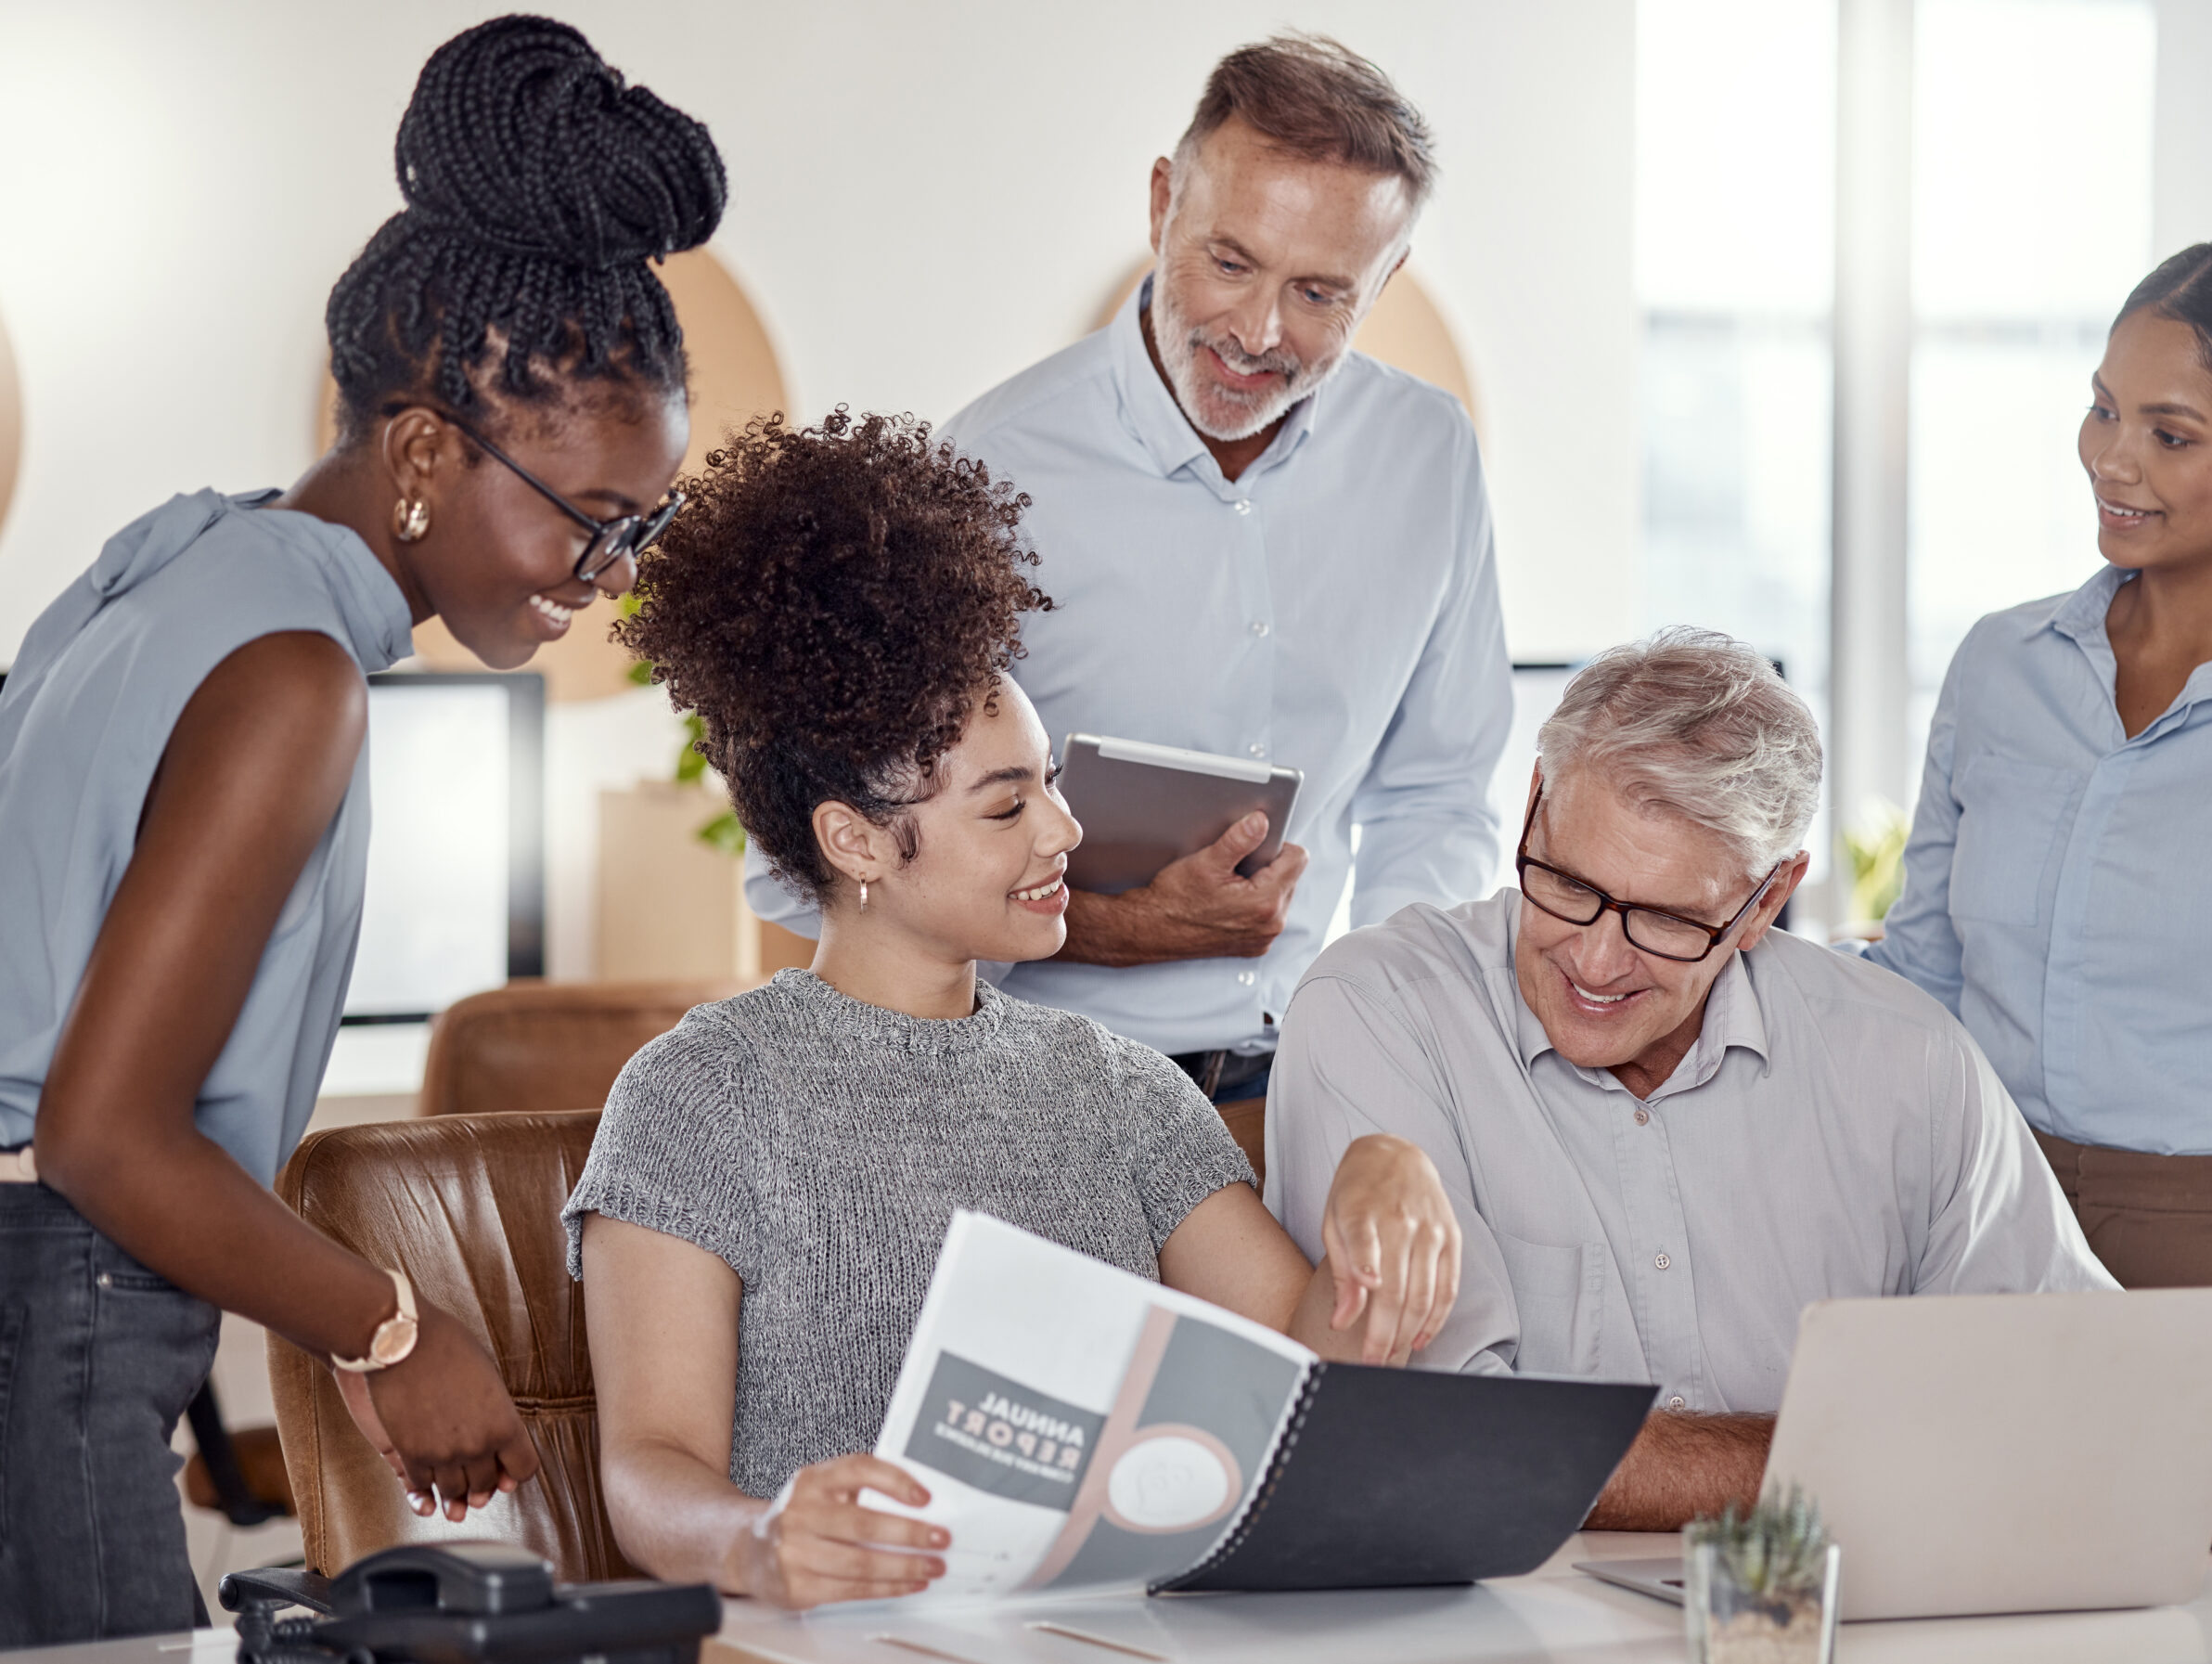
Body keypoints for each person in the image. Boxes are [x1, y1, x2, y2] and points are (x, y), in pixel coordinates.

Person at [0, 19, 727, 1643]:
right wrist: (394, 1328)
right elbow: (108, 1132)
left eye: (646, 527)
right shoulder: (297, 678)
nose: (611, 576)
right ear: (418, 450)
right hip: (59, 1297)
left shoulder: (167, 557)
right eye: (593, 521)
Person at [565, 410, 1461, 1612]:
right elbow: (647, 1471)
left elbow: (1303, 1381)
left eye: (1050, 783)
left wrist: (1385, 1174)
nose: (1065, 834)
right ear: (856, 839)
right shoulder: (701, 1095)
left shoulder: (1122, 1088)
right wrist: (759, 1536)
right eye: (1006, 808)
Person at [744, 34, 1511, 1123]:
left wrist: (1394, 1053)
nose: (1256, 334)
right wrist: (1118, 929)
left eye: (1318, 293)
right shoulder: (985, 467)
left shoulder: (1426, 453)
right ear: (1161, 206)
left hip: (1303, 1088)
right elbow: (810, 864)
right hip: (1031, 1095)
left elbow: (1436, 795)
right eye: (1229, 261)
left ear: (1383, 281)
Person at [1267, 629, 2113, 1532]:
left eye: (1666, 921)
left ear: (1766, 899)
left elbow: (2064, 1392)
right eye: (1565, 881)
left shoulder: (1905, 1058)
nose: (1593, 959)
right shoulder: (1375, 1009)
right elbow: (1444, 1439)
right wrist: (1866, 1460)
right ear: (1533, 803)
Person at [1865, 239, 2212, 1473]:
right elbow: (1919, 979)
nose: (2110, 459)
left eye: (2170, 432)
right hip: (2001, 1233)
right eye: (2101, 409)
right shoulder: (2002, 666)